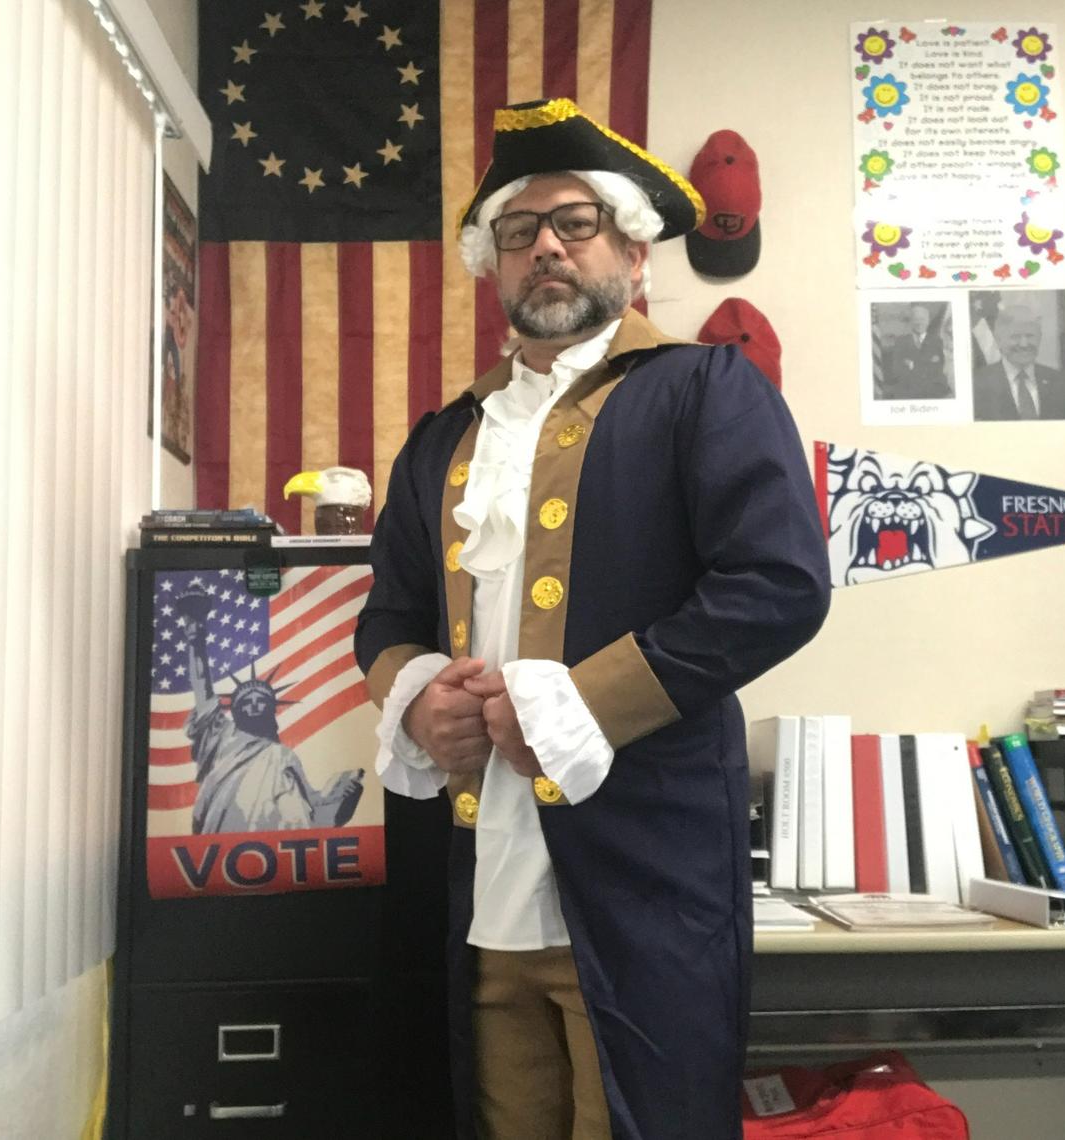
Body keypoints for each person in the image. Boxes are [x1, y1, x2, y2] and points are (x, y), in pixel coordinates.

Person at [354, 97, 831, 1140]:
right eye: (518, 233)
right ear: (494, 264)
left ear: (632, 246)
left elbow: (780, 584)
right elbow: (385, 611)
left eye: (575, 223)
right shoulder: (439, 441)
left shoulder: (707, 390)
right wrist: (416, 693)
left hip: (645, 886)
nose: (548, 250)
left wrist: (580, 705)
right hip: (477, 896)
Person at [178, 591, 364, 834]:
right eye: (247, 702)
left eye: (262, 702)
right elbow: (203, 689)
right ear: (235, 711)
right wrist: (195, 637)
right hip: (226, 832)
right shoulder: (221, 737)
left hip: (281, 846)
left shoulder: (283, 756)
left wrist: (342, 794)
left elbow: (314, 812)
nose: (255, 705)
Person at [972, 304, 1065, 420]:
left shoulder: (1062, 383)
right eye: (1015, 337)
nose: (1024, 344)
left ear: (1039, 338)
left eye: (1030, 336)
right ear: (999, 340)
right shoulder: (977, 385)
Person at [881, 303, 950, 399]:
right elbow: (897, 370)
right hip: (907, 393)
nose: (919, 323)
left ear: (928, 321)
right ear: (911, 322)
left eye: (922, 319)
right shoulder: (901, 342)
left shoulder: (937, 342)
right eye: (915, 319)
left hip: (932, 394)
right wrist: (925, 364)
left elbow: (938, 370)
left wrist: (913, 365)